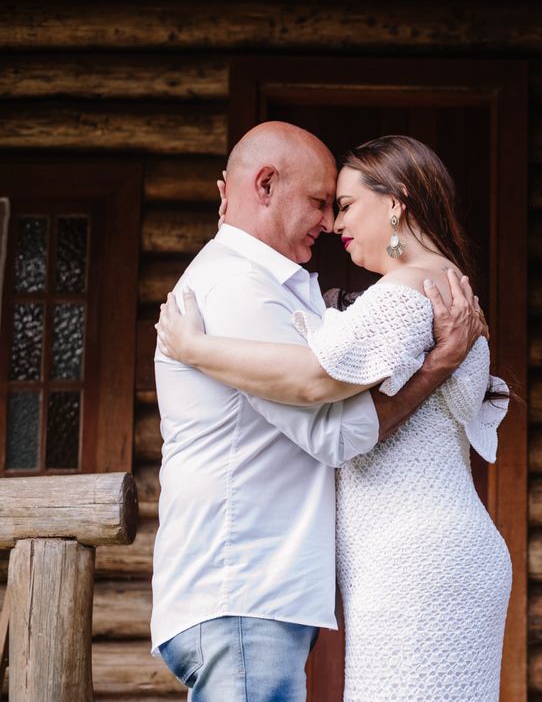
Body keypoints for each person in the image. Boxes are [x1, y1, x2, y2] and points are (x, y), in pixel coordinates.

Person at [157, 134, 512, 701]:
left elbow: (317, 379)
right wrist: (439, 364)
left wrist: (193, 347)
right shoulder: (245, 284)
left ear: (394, 203)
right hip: (325, 573)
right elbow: (333, 418)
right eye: (324, 203)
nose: (331, 222)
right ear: (265, 185)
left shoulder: (405, 292)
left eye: (342, 205)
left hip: (414, 559)